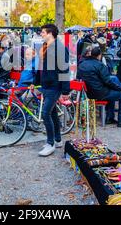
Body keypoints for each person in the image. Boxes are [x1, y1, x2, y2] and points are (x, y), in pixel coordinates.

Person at [35, 24, 70, 157]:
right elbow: (41, 68)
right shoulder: (46, 47)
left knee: (45, 113)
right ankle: (58, 139)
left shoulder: (60, 48)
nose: (41, 34)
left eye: (43, 32)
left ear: (50, 33)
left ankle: (50, 143)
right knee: (53, 113)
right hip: (47, 85)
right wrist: (37, 82)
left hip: (55, 86)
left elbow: (64, 69)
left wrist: (66, 91)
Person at [78, 47, 121, 128]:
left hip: (88, 93)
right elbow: (108, 81)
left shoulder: (82, 64)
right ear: (99, 55)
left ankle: (110, 117)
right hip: (100, 93)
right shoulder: (100, 65)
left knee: (113, 85)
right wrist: (120, 88)